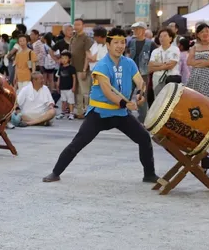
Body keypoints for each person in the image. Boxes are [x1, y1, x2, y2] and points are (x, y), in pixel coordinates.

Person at [43, 28, 158, 184]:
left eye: (122, 42)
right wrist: (126, 103)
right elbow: (107, 92)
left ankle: (149, 174)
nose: (120, 46)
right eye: (116, 42)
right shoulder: (102, 65)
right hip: (99, 114)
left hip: (120, 114)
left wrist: (140, 94)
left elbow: (140, 82)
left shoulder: (129, 63)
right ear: (108, 45)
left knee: (144, 138)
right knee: (77, 143)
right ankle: (55, 172)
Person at [127, 21, 155, 122]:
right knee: (127, 93)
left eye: (138, 29)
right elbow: (128, 54)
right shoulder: (131, 42)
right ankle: (126, 115)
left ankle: (142, 118)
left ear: (143, 30)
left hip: (144, 74)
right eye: (134, 29)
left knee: (142, 95)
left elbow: (154, 57)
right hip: (131, 72)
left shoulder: (151, 44)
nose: (135, 31)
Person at [187, 23, 209, 102]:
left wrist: (196, 63)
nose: (205, 33)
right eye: (202, 32)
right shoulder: (194, 47)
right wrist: (204, 62)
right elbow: (189, 62)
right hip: (195, 77)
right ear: (198, 34)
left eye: (207, 31)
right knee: (194, 100)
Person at [69, 19, 93, 119]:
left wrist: (84, 69)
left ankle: (88, 111)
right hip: (73, 68)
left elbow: (88, 55)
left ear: (83, 26)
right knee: (77, 92)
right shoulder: (73, 37)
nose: (76, 26)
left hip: (82, 68)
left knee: (85, 91)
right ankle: (79, 111)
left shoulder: (86, 38)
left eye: (78, 24)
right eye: (75, 24)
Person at [148, 28, 181, 99]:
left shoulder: (175, 49)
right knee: (158, 100)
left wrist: (156, 66)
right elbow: (150, 67)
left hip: (171, 78)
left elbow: (171, 65)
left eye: (165, 36)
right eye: (160, 36)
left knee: (171, 99)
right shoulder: (155, 51)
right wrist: (164, 64)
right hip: (157, 79)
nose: (162, 38)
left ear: (170, 38)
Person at [57, 51, 77, 119]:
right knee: (63, 100)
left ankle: (71, 113)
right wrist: (58, 85)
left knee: (70, 101)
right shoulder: (61, 68)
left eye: (65, 58)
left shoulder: (72, 68)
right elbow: (59, 77)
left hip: (69, 88)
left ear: (69, 59)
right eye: (62, 58)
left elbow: (74, 78)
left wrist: (74, 86)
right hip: (62, 87)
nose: (64, 60)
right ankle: (62, 112)